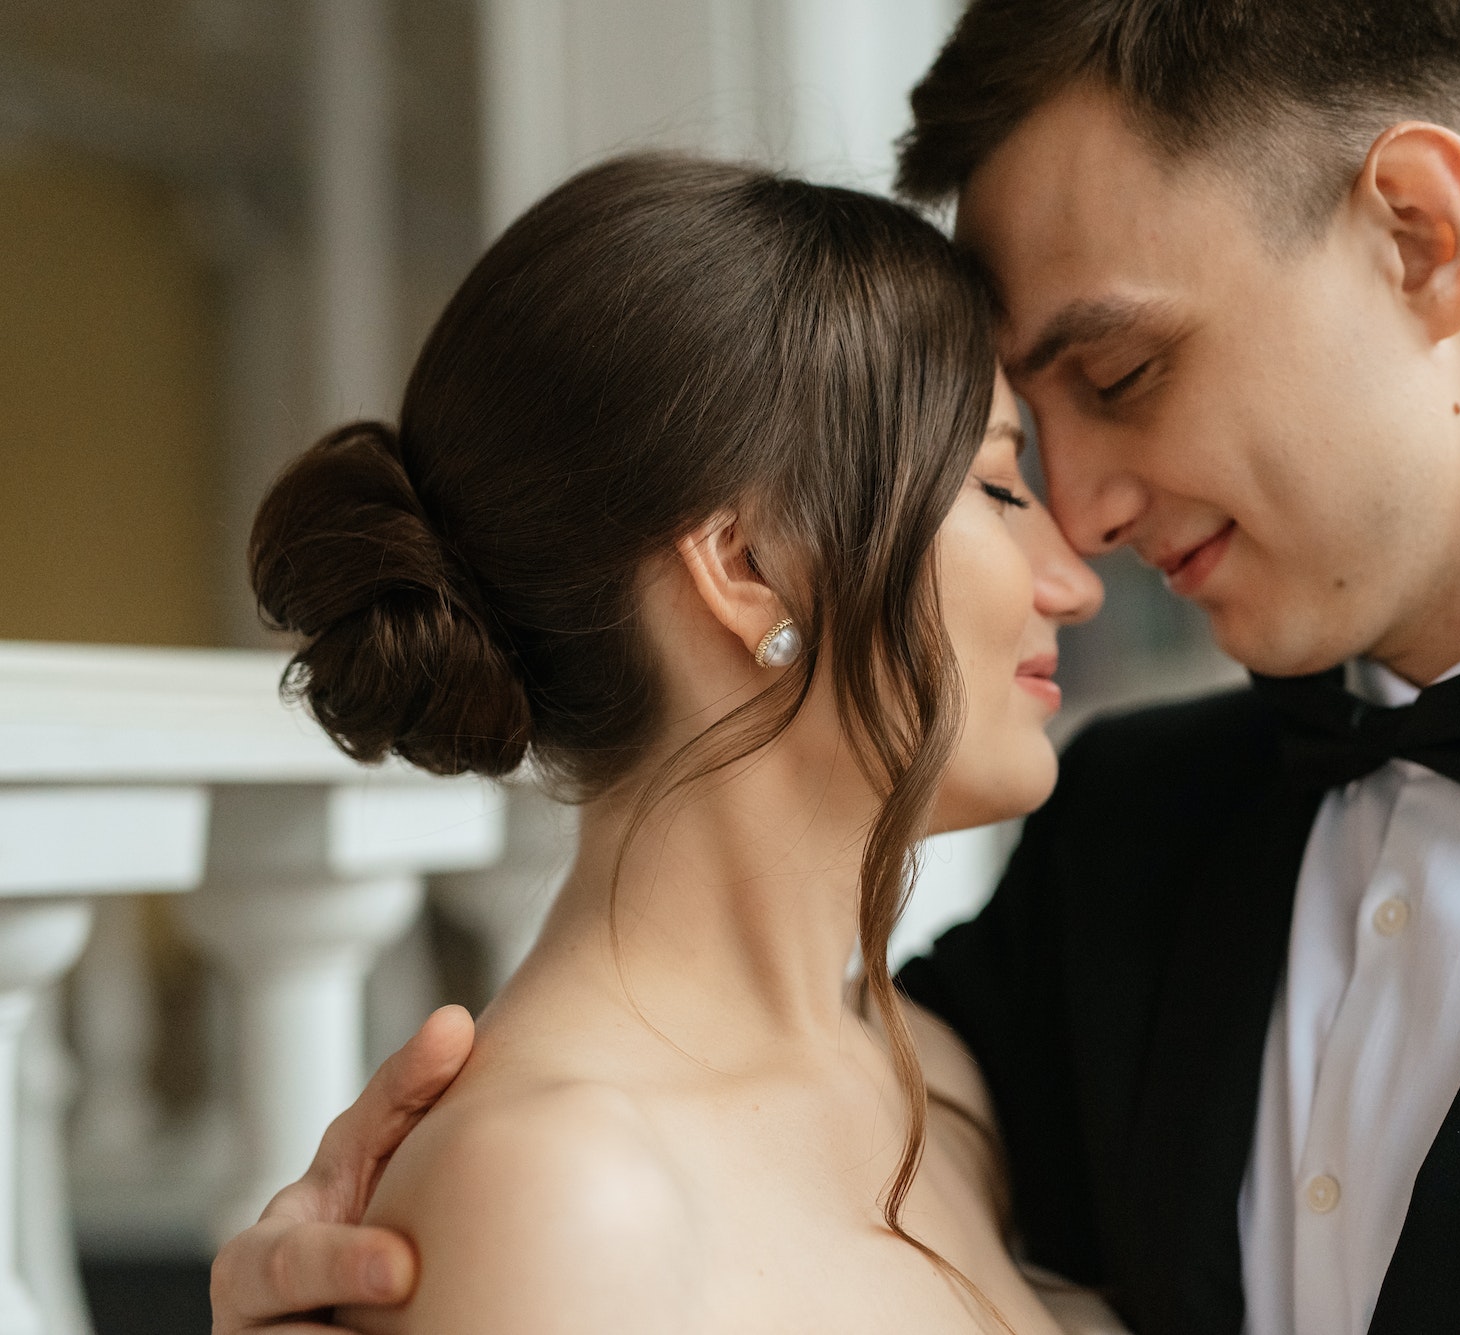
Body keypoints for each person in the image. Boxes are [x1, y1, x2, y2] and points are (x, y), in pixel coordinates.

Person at [215, 3, 1460, 1333]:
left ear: (1419, 233)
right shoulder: (1122, 860)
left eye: (1122, 376)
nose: (1084, 517)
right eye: (1014, 450)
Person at [229, 150, 1119, 1334]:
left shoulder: (937, 1088)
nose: (1072, 580)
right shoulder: (563, 1195)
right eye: (1001, 487)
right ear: (746, 565)